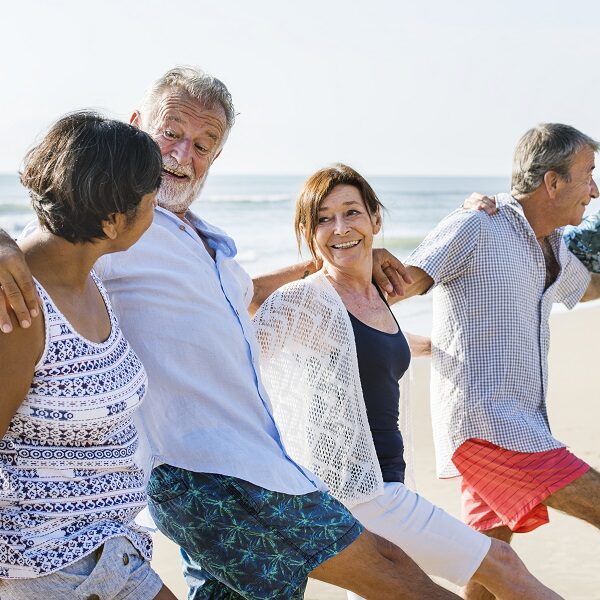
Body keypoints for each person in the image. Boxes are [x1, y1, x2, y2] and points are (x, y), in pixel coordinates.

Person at [0, 68, 561, 600]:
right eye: (170, 134)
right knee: (398, 576)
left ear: (218, 154)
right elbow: (52, 231)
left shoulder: (200, 239)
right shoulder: (119, 221)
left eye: (203, 143)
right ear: (137, 126)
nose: (181, 155)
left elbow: (235, 300)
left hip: (250, 460)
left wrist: (336, 261)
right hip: (206, 473)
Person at [253, 163, 564, 600]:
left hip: (385, 484)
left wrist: (467, 213)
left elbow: (376, 349)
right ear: (309, 232)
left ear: (376, 219)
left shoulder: (377, 295)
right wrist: (314, 264)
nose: (340, 227)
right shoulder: (307, 301)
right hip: (360, 491)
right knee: (503, 564)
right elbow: (237, 318)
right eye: (323, 219)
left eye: (351, 213)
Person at [395, 123, 600, 600]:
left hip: (517, 421)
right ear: (553, 182)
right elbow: (401, 284)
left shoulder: (552, 246)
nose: (594, 189)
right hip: (490, 426)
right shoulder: (477, 225)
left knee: (489, 569)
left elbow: (587, 287)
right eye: (587, 174)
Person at [0, 112, 177, 600]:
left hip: (112, 551)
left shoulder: (90, 279)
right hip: (45, 570)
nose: (156, 209)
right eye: (150, 200)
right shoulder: (20, 307)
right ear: (112, 220)